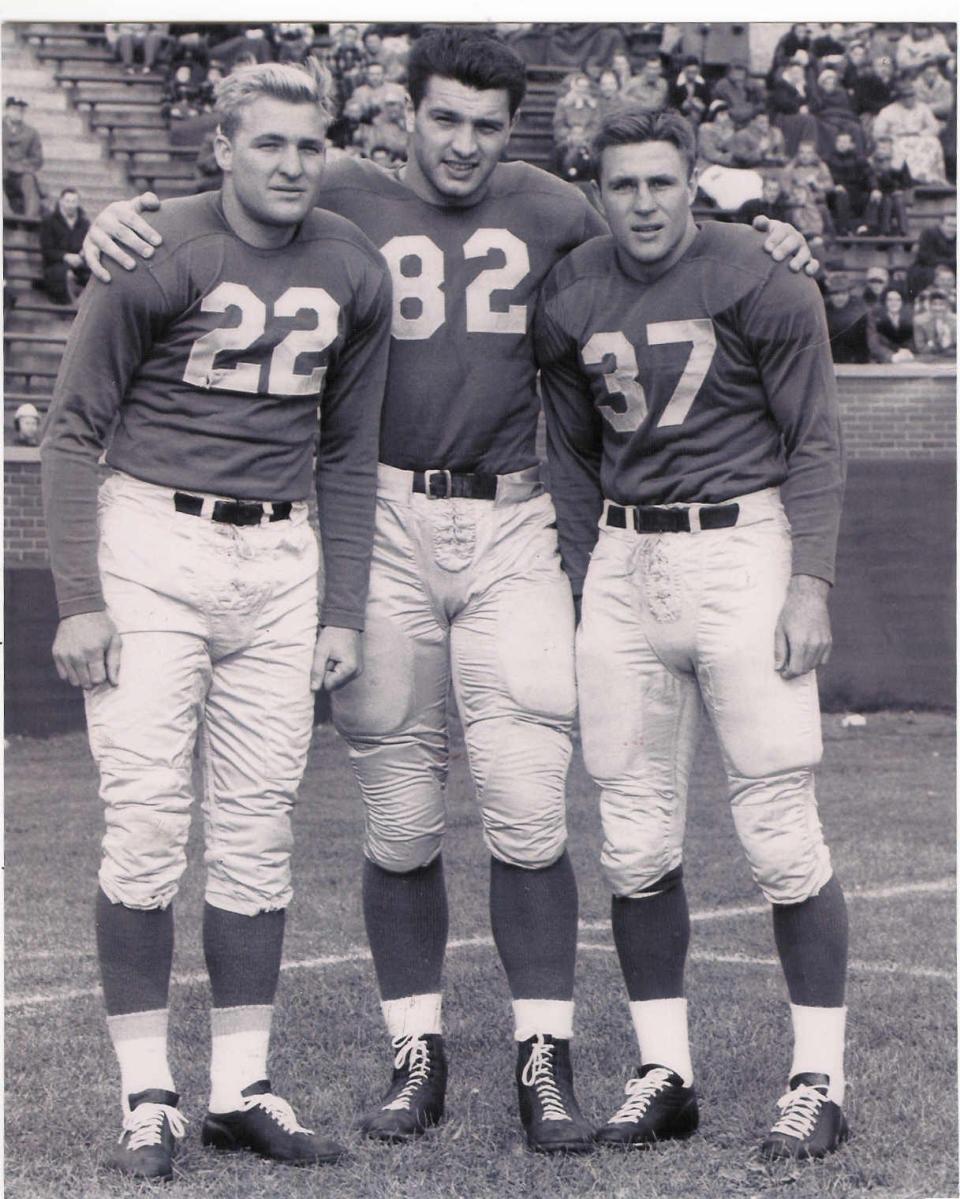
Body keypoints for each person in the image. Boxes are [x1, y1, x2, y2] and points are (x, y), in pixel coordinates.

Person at [82, 25, 816, 1158]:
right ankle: (412, 1049)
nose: (464, 143)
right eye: (444, 119)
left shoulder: (552, 204)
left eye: (486, 123)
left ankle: (545, 1057)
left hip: (513, 509)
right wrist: (116, 218)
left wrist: (770, 231)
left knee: (528, 802)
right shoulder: (332, 185)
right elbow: (230, 190)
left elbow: (656, 226)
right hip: (377, 514)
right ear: (402, 116)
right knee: (400, 807)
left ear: (510, 128)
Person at [41, 62, 393, 1183]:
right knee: (145, 825)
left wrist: (343, 606)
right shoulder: (156, 248)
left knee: (256, 828)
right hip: (155, 541)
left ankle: (243, 1086)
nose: (292, 164)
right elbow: (68, 432)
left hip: (282, 553)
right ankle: (148, 1091)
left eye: (309, 144)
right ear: (224, 149)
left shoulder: (351, 262)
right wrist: (81, 598)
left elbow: (348, 449)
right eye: (270, 144)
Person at [535, 105, 850, 1163]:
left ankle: (819, 1076)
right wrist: (591, 575)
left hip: (740, 543)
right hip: (627, 554)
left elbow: (814, 439)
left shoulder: (760, 274)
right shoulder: (573, 285)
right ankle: (663, 1068)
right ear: (599, 185)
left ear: (696, 176)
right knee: (631, 833)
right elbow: (571, 454)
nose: (644, 204)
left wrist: (808, 583)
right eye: (623, 185)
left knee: (777, 822)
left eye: (662, 183)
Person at [873, 81, 947, 184]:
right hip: (898, 139)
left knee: (933, 142)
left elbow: (934, 126)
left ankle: (930, 177)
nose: (909, 99)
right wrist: (891, 137)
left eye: (911, 95)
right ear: (899, 98)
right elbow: (878, 132)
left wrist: (921, 134)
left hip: (920, 137)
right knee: (903, 147)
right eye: (906, 96)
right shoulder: (887, 111)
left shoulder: (923, 108)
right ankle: (913, 178)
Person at [40, 187, 91, 305]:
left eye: (74, 202)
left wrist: (82, 255)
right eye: (67, 201)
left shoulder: (84, 223)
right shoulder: (49, 221)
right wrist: (65, 256)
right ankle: (74, 306)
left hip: (80, 263)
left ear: (78, 203)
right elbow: (47, 250)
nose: (70, 205)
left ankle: (84, 304)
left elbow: (89, 243)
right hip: (56, 264)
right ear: (61, 202)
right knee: (66, 275)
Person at [3, 97, 42, 219]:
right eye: (14, 109)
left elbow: (37, 159)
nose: (18, 112)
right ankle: (7, 217)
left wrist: (20, 167)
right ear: (7, 110)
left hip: (20, 174)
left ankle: (29, 219)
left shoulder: (31, 132)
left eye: (21, 109)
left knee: (29, 179)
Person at [823, 271, 874, 362]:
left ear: (849, 293)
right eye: (835, 293)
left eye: (843, 293)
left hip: (856, 361)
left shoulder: (860, 309)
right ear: (830, 295)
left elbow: (870, 340)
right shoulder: (823, 310)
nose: (840, 297)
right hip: (829, 361)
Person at [869, 286, 915, 362]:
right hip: (880, 361)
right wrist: (891, 356)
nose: (894, 303)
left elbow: (911, 340)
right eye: (890, 300)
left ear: (902, 302)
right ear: (885, 302)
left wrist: (906, 350)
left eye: (898, 300)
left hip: (904, 359)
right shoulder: (875, 318)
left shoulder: (908, 317)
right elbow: (873, 344)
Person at [913, 288, 956, 356]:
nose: (938, 308)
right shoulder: (919, 321)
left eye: (941, 304)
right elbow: (920, 349)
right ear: (929, 306)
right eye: (934, 304)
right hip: (929, 360)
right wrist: (934, 342)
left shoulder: (955, 320)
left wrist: (949, 341)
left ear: (947, 306)